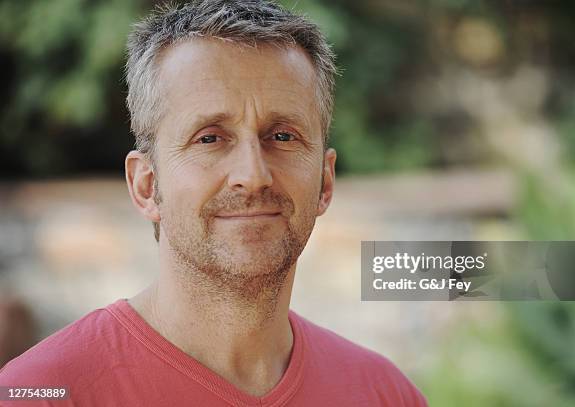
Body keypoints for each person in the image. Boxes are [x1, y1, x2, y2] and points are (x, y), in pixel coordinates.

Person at [0, 1, 428, 405]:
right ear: (146, 185)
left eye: (282, 136)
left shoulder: (384, 393)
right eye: (209, 138)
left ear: (325, 181)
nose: (253, 175)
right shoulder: (41, 392)